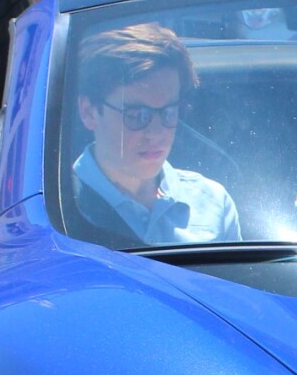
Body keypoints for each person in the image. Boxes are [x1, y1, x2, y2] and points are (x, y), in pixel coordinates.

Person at [68, 25, 240, 246]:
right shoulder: (55, 212)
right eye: (137, 115)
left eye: (169, 112)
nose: (156, 133)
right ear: (89, 112)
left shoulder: (214, 204)